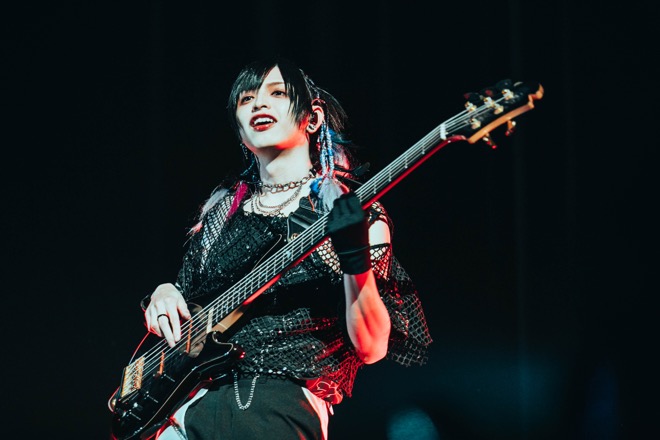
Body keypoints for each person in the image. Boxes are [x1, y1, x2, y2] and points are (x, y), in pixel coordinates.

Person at [138, 57, 432, 440]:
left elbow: (372, 347)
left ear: (313, 118)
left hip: (278, 407)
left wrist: (355, 261)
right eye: (246, 99)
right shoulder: (222, 213)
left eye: (277, 93)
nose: (259, 103)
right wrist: (164, 294)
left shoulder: (347, 211)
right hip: (187, 407)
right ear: (239, 130)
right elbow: (189, 306)